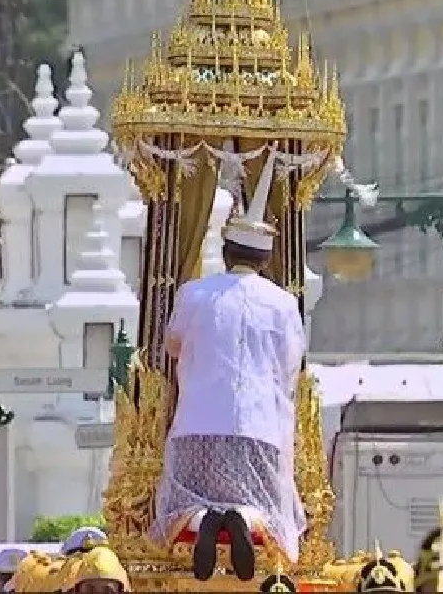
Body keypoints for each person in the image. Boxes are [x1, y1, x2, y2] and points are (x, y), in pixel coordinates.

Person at [150, 152, 307, 582]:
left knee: (181, 502)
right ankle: (242, 516)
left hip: (196, 426)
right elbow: (291, 367)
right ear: (265, 260)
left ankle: (207, 519)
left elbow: (172, 345)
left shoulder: (194, 294)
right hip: (259, 430)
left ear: (224, 251)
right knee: (267, 509)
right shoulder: (284, 304)